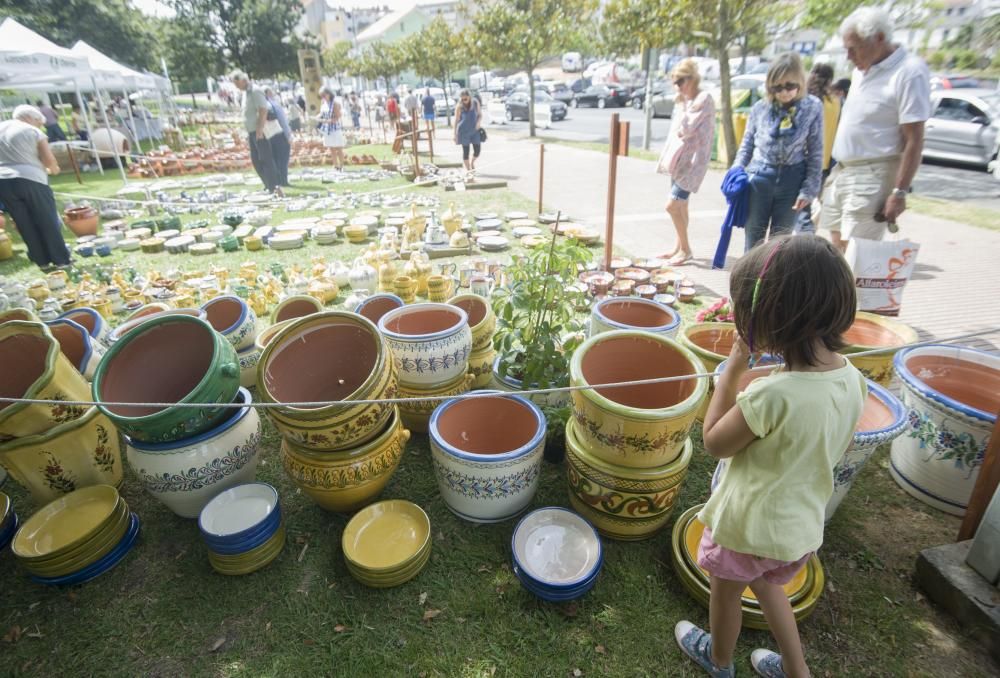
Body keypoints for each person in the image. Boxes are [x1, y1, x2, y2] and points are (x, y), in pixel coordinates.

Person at [674, 234, 866, 678]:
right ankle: (797, 670)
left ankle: (719, 659)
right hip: (797, 528)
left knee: (726, 593)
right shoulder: (850, 377)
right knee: (767, 583)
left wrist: (733, 372)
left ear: (769, 317)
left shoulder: (771, 396)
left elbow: (715, 442)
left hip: (747, 527)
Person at [821, 6, 930, 251]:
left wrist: (899, 192)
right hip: (843, 171)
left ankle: (853, 292)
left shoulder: (909, 72)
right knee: (835, 251)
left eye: (854, 48)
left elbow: (914, 139)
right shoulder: (861, 71)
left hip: (873, 174)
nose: (849, 56)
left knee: (857, 255)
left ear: (879, 38)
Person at [734, 53, 823, 251]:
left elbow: (816, 151)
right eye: (777, 87)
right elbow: (747, 143)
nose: (784, 92)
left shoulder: (812, 107)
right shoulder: (760, 107)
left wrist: (809, 190)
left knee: (780, 242)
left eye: (790, 86)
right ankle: (749, 281)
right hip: (759, 177)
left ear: (800, 82)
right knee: (753, 240)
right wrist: (736, 171)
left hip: (792, 179)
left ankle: (772, 282)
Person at [656, 58, 716, 265]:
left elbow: (686, 129)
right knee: (682, 207)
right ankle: (678, 247)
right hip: (679, 161)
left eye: (680, 81)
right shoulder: (687, 100)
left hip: (693, 164)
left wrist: (682, 105)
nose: (677, 86)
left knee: (672, 206)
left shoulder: (703, 99)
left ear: (692, 79)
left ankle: (686, 250)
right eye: (675, 81)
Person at [0, 105, 71, 270]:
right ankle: (61, 260)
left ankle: (42, 261)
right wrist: (54, 169)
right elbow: (48, 160)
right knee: (46, 219)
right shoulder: (32, 131)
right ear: (32, 119)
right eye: (40, 123)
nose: (41, 126)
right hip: (31, 178)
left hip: (3, 180)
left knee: (23, 222)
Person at [795, 63, 840, 233]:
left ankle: (805, 245)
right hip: (824, 162)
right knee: (809, 207)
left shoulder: (808, 101)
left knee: (801, 213)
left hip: (803, 160)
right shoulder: (835, 101)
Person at [229, 70, 282, 196]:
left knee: (266, 159)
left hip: (259, 131)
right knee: (256, 160)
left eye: (236, 84)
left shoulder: (255, 91)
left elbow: (263, 110)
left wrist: (259, 129)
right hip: (252, 131)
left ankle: (274, 187)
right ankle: (268, 185)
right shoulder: (246, 93)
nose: (236, 87)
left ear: (242, 80)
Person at [264, 88, 292, 188]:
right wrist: (288, 134)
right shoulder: (274, 105)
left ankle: (277, 181)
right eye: (272, 92)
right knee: (283, 159)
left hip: (268, 135)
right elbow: (282, 120)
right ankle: (283, 181)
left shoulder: (260, 105)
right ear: (268, 93)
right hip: (279, 133)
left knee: (275, 159)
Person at [453, 89, 482, 177]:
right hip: (463, 131)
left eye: (465, 99)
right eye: (462, 99)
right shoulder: (459, 106)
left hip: (475, 131)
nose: (464, 101)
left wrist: (478, 123)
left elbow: (480, 115)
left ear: (469, 97)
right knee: (466, 151)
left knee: (477, 150)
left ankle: (472, 162)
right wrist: (454, 134)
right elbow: (456, 120)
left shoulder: (475, 102)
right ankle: (469, 170)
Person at [318, 88, 346, 170]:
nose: (323, 97)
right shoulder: (323, 103)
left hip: (335, 129)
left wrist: (326, 121)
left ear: (329, 94)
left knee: (338, 148)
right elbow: (321, 114)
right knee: (331, 148)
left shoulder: (334, 103)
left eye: (324, 95)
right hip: (327, 130)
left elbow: (338, 116)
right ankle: (335, 165)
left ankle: (342, 166)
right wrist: (317, 117)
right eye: (321, 96)